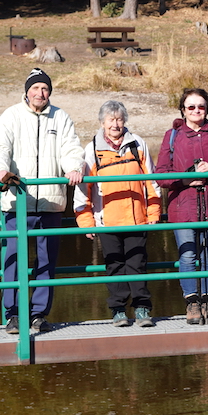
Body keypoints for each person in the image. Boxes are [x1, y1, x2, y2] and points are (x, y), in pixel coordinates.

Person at [0, 68, 85, 334]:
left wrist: (74, 167)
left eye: (45, 89)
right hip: (18, 201)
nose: (40, 93)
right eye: (36, 88)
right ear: (26, 91)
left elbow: (71, 149)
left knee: (46, 260)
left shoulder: (60, 117)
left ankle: (38, 314)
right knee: (13, 259)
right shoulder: (12, 116)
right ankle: (14, 315)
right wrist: (0, 170)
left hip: (51, 202)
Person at [73, 101, 161, 327]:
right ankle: (118, 310)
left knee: (138, 263)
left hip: (137, 219)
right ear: (102, 122)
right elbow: (83, 189)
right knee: (114, 266)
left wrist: (154, 211)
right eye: (111, 119)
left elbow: (152, 181)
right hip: (107, 221)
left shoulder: (137, 144)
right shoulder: (92, 149)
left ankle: (142, 308)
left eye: (119, 119)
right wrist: (86, 221)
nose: (115, 124)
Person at [156, 88, 208, 325]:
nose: (196, 111)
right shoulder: (172, 135)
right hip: (183, 206)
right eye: (191, 107)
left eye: (200, 106)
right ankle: (192, 303)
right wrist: (183, 179)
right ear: (183, 109)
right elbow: (160, 175)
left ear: (207, 108)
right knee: (189, 254)